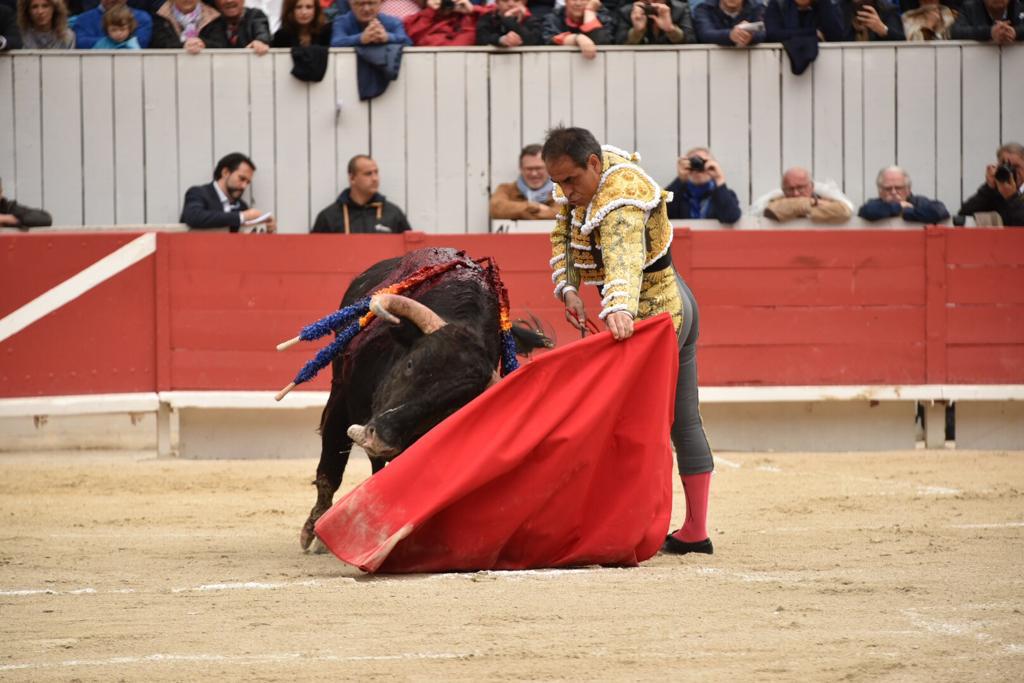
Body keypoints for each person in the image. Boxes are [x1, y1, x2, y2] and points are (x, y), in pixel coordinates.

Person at [543, 126, 715, 556]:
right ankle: (694, 531)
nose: (564, 191)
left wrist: (618, 306)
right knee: (680, 420)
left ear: (594, 164)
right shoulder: (582, 182)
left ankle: (633, 526)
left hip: (653, 313)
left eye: (570, 180)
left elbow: (624, 257)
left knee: (633, 424)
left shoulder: (620, 195)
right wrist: (568, 289)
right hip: (672, 298)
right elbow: (564, 234)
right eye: (557, 182)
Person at [312, 154, 411, 233]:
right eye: (368, 174)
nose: (375, 178)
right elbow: (313, 253)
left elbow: (412, 254)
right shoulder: (329, 217)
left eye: (376, 172)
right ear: (352, 178)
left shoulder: (393, 214)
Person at [180, 152, 276, 232]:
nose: (244, 186)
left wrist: (265, 228)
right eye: (242, 179)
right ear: (225, 172)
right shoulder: (198, 193)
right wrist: (242, 216)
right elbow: (194, 216)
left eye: (248, 182)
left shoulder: (242, 206)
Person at [749, 166, 854, 223]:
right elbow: (764, 212)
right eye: (790, 189)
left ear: (811, 186)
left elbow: (845, 211)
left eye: (800, 187)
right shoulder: (774, 200)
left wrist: (812, 202)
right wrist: (811, 203)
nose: (796, 193)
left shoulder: (827, 196)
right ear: (783, 190)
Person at [665, 148, 742, 223]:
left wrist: (719, 179)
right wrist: (681, 179)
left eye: (704, 162)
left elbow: (731, 216)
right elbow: (660, 214)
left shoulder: (724, 194)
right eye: (693, 162)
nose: (698, 166)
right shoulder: (679, 194)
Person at [958, 143, 1024, 227]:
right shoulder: (995, 193)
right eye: (1006, 166)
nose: (1011, 171)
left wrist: (1012, 197)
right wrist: (989, 187)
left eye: (1016, 166)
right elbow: (964, 214)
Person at [858, 166, 950, 223]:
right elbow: (867, 212)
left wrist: (905, 212)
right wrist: (899, 207)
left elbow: (939, 211)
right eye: (888, 188)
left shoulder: (919, 202)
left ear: (908, 189)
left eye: (898, 188)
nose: (893, 192)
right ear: (880, 191)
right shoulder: (874, 204)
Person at [490, 144, 558, 220]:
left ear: (548, 167)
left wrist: (518, 210)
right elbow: (496, 208)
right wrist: (537, 207)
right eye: (529, 169)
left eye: (539, 168)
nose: (534, 174)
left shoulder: (560, 190)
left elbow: (564, 212)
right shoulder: (506, 189)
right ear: (521, 168)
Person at [541, 0, 612, 59]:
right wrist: (577, 38)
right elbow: (550, 39)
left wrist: (589, 11)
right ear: (565, 1)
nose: (578, 3)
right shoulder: (553, 18)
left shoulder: (603, 18)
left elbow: (601, 41)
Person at [150, 0, 227, 51]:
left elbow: (220, 45)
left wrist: (203, 43)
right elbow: (158, 44)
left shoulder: (214, 17)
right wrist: (183, 45)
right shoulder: (159, 16)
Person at [71, 0, 151, 47]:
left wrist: (105, 42)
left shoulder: (142, 17)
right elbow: (81, 43)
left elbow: (141, 42)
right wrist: (122, 42)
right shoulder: (83, 19)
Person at [330, 0, 412, 46]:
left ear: (380, 3)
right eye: (360, 4)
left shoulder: (393, 21)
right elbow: (335, 43)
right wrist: (361, 38)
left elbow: (408, 42)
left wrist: (387, 37)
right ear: (350, 4)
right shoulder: (341, 22)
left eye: (371, 3)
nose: (366, 9)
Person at [404, 0, 484, 46]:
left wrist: (472, 11)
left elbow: (494, 21)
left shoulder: (469, 18)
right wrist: (431, 12)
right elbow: (414, 36)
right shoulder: (419, 18)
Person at [616, 0, 695, 44]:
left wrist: (671, 30)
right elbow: (617, 45)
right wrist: (637, 32)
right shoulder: (626, 11)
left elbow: (692, 41)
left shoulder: (681, 9)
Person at [693, 0, 766, 46]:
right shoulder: (704, 9)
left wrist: (751, 36)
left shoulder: (757, 7)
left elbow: (764, 32)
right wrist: (730, 35)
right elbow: (704, 34)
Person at [475, 0, 542, 47]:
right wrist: (500, 40)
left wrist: (509, 20)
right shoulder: (487, 18)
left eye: (516, 0)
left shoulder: (531, 20)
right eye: (505, 0)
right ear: (497, 3)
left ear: (523, 3)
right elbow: (481, 39)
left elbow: (532, 41)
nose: (511, 4)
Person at [951, 0, 1023, 43]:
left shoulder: (1018, 7)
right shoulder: (970, 7)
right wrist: (990, 32)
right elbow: (956, 32)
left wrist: (1014, 32)